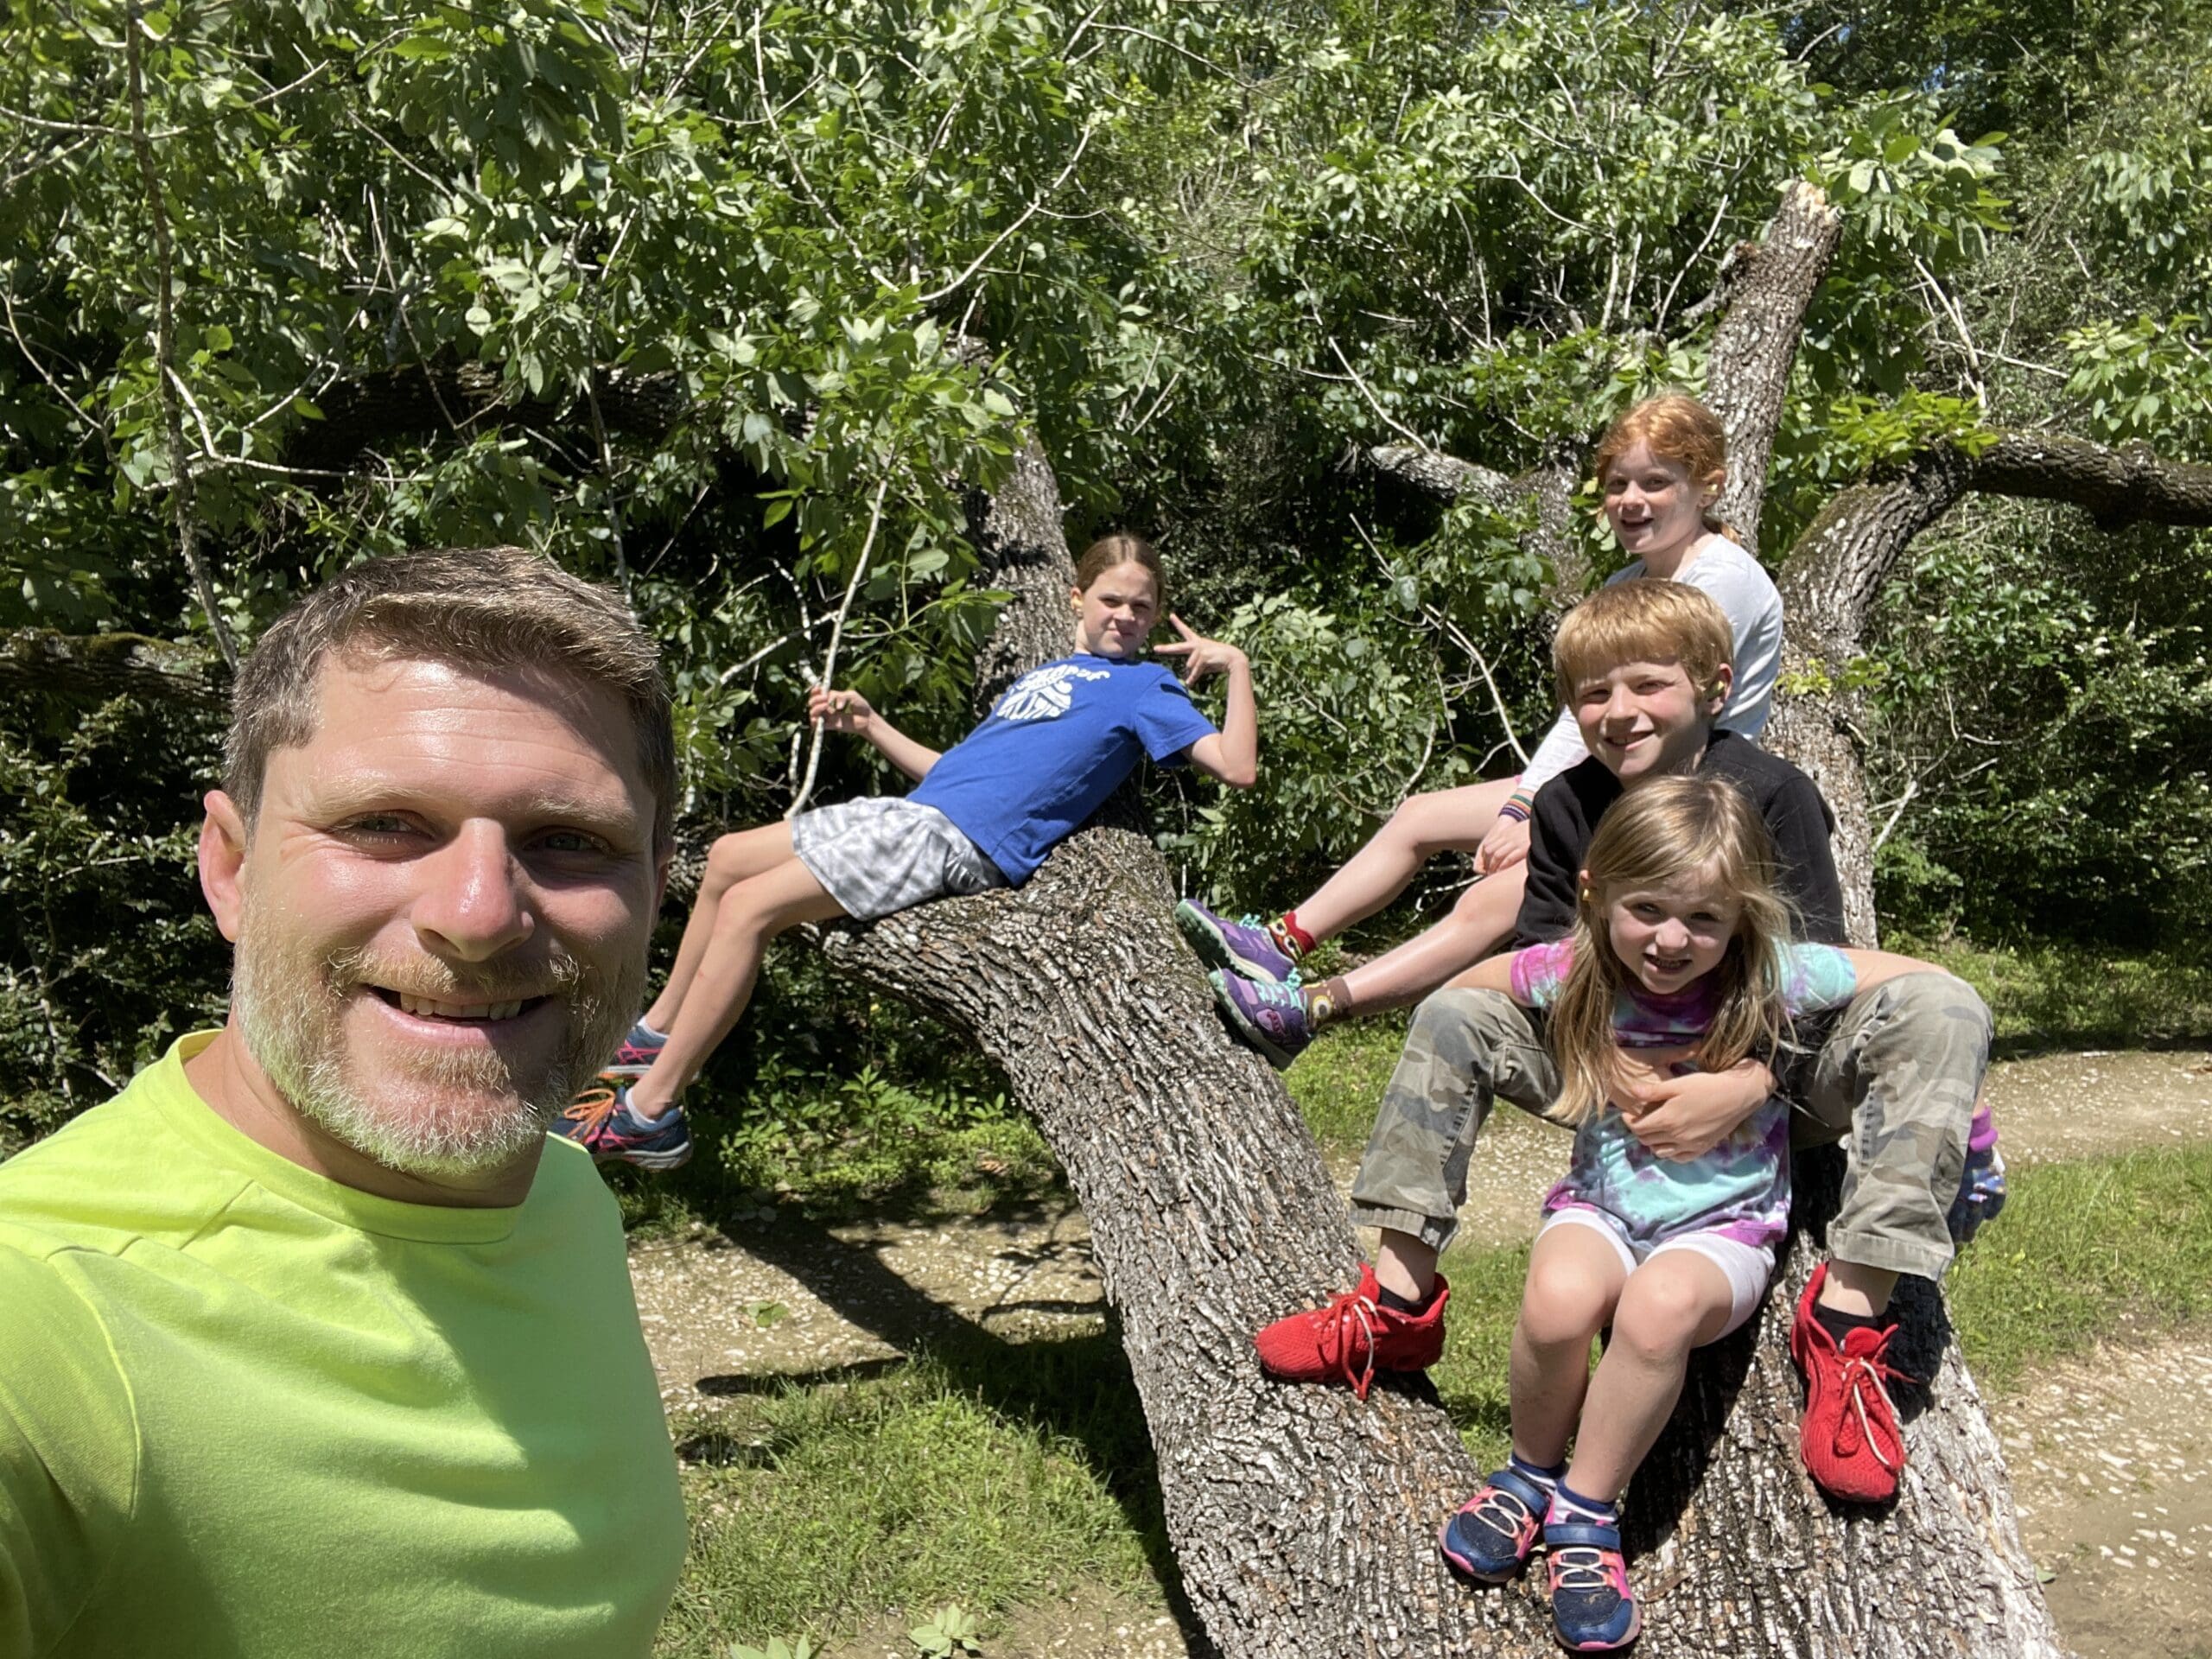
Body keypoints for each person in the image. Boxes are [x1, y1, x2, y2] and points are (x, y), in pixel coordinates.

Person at [0, 550, 688, 1657]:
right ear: (231, 868)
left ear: (653, 882)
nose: (478, 914)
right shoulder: (44, 1318)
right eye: (384, 824)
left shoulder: (557, 1187)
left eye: (568, 842)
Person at [1252, 578, 1999, 1509]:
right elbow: (1543, 958)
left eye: (1647, 684)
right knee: (1453, 1014)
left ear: (1715, 686)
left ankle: (1847, 1325)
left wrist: (1751, 1084)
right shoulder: (1568, 803)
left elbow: (1811, 967)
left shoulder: (1774, 793)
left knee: (1942, 1006)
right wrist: (1608, 1066)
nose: (1618, 711)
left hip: (1770, 1070)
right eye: (1593, 693)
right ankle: (1398, 1302)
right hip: (1609, 1060)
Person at [1429, 776, 1943, 1649]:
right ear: (1595, 893)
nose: (1672, 940)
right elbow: (1470, 986)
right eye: (1647, 910)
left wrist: (1947, 1097)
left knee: (1658, 1311)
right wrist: (1585, 1048)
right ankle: (1528, 1475)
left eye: (1704, 919)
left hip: (1724, 1227)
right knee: (1555, 1301)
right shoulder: (1576, 971)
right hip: (1601, 1205)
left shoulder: (1770, 975)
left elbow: (1921, 985)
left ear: (1742, 916)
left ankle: (1585, 1514)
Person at [557, 531, 1259, 1169]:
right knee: (728, 858)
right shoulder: (1046, 677)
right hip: (915, 812)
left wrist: (1237, 667)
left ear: (1156, 615)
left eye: (1141, 607)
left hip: (955, 839)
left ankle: (650, 1111)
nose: (1125, 616)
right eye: (1112, 600)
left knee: (749, 908)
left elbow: (1237, 766)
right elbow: (955, 770)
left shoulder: (1145, 688)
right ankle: (652, 1035)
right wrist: (872, 726)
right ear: (1078, 598)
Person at [1182, 392, 1785, 1068]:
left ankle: (1313, 1007)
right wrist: (1526, 803)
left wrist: (1528, 810)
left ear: (1708, 486)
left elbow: (1641, 715)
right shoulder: (1630, 580)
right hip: (1619, 775)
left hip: (1688, 794)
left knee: (1499, 896)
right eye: (1618, 485)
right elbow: (1584, 715)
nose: (1631, 501)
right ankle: (1281, 943)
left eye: (1655, 483)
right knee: (1420, 815)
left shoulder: (1722, 579)